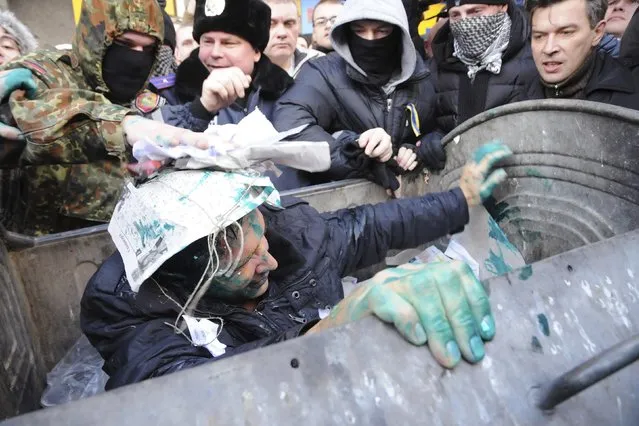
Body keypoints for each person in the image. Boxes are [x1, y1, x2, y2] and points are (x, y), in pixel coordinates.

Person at [81, 142, 512, 389]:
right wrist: (329, 330)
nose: (269, 259)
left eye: (261, 237)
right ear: (185, 279)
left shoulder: (292, 234)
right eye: (245, 265)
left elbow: (371, 227)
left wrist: (460, 202)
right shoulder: (129, 307)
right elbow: (179, 392)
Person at [0, 0, 226, 236]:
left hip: (119, 244)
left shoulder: (140, 93)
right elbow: (28, 115)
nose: (136, 59)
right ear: (96, 39)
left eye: (148, 49)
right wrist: (125, 125)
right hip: (42, 250)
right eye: (124, 43)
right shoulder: (44, 72)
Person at [272, 0, 437, 190]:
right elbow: (289, 127)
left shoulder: (420, 77)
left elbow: (433, 127)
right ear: (347, 31)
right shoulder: (322, 73)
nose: (370, 39)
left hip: (409, 207)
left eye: (381, 31)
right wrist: (355, 152)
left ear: (398, 33)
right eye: (359, 31)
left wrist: (418, 148)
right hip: (345, 207)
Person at [417, 0, 537, 171]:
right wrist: (431, 139)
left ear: (502, 7)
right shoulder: (437, 66)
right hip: (457, 184)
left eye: (475, 12)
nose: (465, 23)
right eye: (456, 15)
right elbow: (425, 123)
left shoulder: (535, 58)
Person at [525, 0, 639, 109]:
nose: (549, 49)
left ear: (597, 32)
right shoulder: (517, 95)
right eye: (539, 36)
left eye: (566, 33)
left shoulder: (631, 101)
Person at [264, 0, 324, 78]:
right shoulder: (245, 72)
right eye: (271, 24)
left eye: (289, 23)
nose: (282, 33)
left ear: (298, 25)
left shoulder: (320, 64)